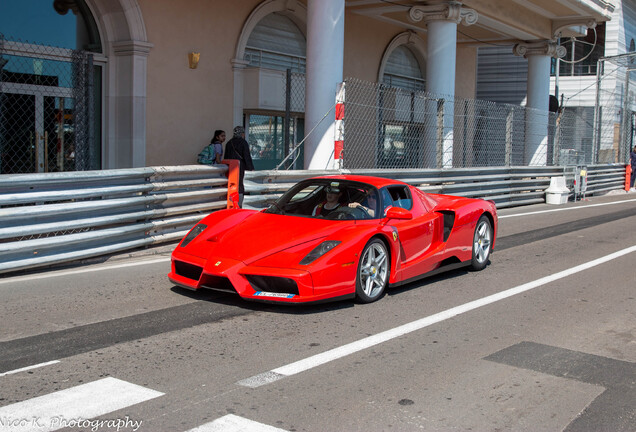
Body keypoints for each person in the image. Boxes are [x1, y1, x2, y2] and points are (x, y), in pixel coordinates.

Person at [223, 126, 254, 207]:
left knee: (233, 185)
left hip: (230, 168)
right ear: (242, 133)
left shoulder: (229, 143)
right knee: (242, 185)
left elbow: (226, 157)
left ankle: (232, 202)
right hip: (241, 167)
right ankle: (241, 204)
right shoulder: (243, 142)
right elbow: (247, 157)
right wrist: (251, 169)